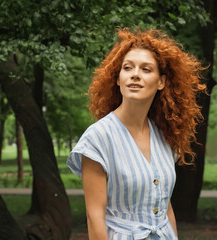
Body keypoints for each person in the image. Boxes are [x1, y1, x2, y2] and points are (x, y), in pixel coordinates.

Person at [67, 28, 206, 240]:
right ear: (117, 78)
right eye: (127, 67)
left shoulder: (164, 136)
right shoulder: (98, 138)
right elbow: (94, 216)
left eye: (146, 69)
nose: (135, 74)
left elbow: (165, 207)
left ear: (161, 82)